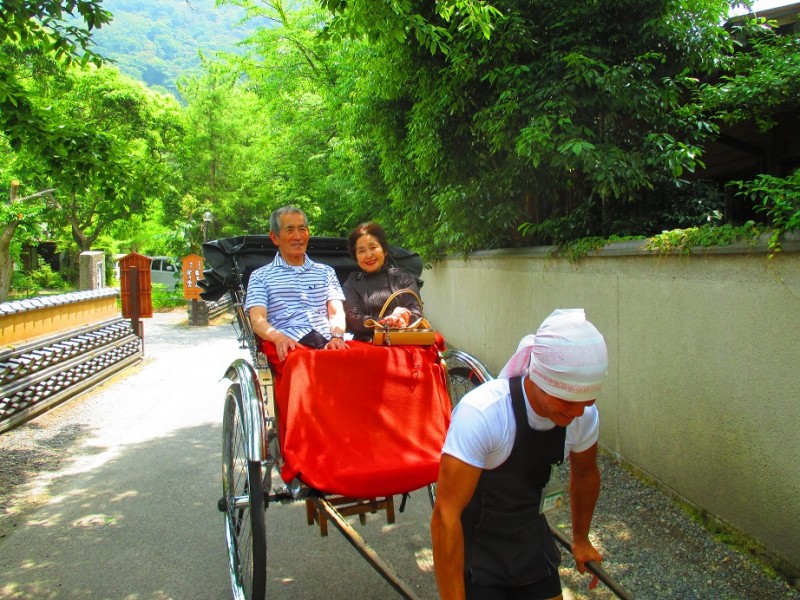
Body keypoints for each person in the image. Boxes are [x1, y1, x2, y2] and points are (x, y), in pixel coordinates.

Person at [431, 309, 609, 600]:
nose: (576, 411)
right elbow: (445, 515)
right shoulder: (484, 413)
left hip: (529, 542)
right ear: (538, 377)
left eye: (585, 401)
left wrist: (581, 538)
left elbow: (586, 473)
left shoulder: (583, 416)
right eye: (565, 400)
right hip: (476, 550)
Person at [245, 205, 347, 362]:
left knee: (360, 360)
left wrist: (337, 337)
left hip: (326, 340)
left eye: (302, 229)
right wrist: (279, 338)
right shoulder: (260, 276)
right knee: (301, 365)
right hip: (288, 342)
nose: (298, 236)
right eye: (290, 230)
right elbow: (258, 320)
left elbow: (336, 312)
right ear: (274, 237)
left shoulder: (326, 272)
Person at [342, 221, 425, 342]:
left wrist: (403, 319)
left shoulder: (403, 277)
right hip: (367, 347)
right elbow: (353, 320)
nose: (369, 255)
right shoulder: (352, 282)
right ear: (356, 257)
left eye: (373, 247)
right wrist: (387, 321)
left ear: (385, 250)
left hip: (403, 342)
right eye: (361, 251)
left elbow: (417, 314)